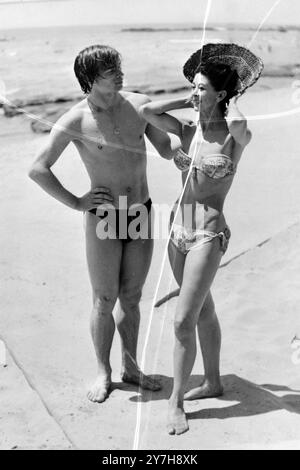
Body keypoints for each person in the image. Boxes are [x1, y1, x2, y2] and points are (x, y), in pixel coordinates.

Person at [28, 44, 173, 403]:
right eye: (110, 69)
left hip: (140, 211)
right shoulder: (75, 120)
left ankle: (131, 367)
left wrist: (185, 134)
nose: (120, 73)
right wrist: (77, 202)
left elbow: (166, 149)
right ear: (91, 79)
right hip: (104, 218)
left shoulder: (139, 105)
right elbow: (38, 169)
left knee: (133, 296)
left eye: (118, 65)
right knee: (105, 298)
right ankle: (102, 372)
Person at [140, 43, 263, 434]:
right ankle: (212, 381)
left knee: (182, 322)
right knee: (204, 310)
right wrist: (192, 97)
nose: (194, 93)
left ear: (223, 94)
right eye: (192, 87)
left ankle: (176, 403)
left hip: (208, 233)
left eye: (202, 88)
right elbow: (147, 112)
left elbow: (244, 127)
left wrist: (233, 96)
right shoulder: (188, 128)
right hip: (177, 229)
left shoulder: (231, 136)